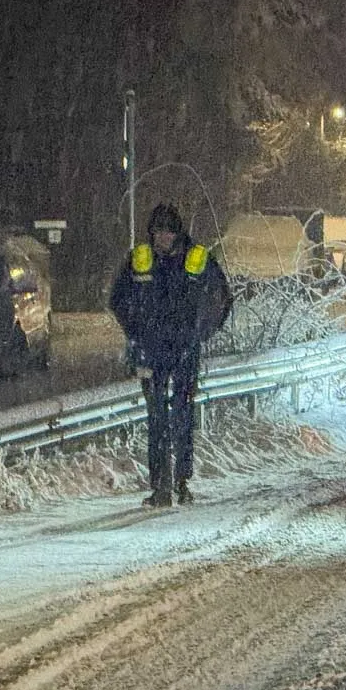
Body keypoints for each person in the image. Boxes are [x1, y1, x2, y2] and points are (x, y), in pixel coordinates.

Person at [110, 203, 232, 507]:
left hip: (184, 351)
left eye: (166, 232)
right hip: (151, 352)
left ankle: (180, 481)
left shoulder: (197, 258)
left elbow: (222, 299)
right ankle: (161, 485)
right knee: (157, 421)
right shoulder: (141, 259)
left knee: (181, 418)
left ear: (177, 233)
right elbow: (118, 299)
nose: (161, 238)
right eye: (156, 233)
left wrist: (201, 332)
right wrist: (135, 333)